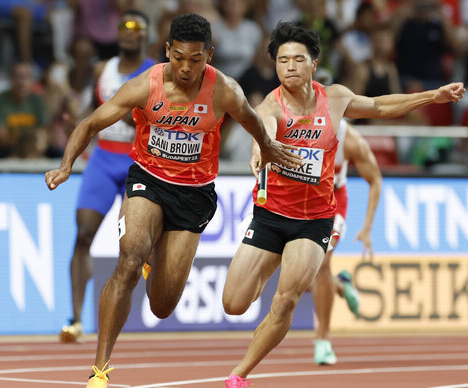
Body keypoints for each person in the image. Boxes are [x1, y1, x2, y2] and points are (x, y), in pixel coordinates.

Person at [44, 13, 301, 388]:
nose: (185, 68)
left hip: (194, 195)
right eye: (178, 57)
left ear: (209, 55)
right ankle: (100, 369)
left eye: (195, 60)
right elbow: (89, 124)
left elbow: (250, 119)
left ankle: (154, 258)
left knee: (162, 306)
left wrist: (268, 148)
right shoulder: (145, 86)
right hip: (147, 179)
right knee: (128, 260)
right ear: (167, 51)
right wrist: (66, 165)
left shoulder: (224, 90)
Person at [221, 21, 465, 387]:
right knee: (234, 303)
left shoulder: (334, 98)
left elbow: (382, 106)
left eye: (298, 59)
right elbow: (263, 132)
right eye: (282, 60)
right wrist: (262, 151)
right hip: (271, 216)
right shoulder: (271, 104)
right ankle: (270, 265)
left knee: (286, 301)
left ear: (314, 63)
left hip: (316, 219)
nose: (289, 67)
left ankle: (240, 375)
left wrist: (433, 96)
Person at [57, 10, 156, 344]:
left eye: (135, 27)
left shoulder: (157, 73)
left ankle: (139, 306)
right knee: (83, 232)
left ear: (146, 34)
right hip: (103, 156)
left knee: (134, 245)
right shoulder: (103, 69)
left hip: (137, 159)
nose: (128, 33)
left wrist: (134, 119)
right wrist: (78, 119)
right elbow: (91, 109)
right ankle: (74, 319)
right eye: (123, 27)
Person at [311, 118, 382, 366]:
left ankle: (323, 340)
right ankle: (340, 285)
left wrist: (367, 227)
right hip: (298, 200)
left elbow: (375, 180)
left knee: (320, 264)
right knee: (297, 272)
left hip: (332, 203)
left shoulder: (349, 140)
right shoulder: (291, 121)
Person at [0, 61, 50, 159]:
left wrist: (34, 145)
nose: (22, 82)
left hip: (33, 151)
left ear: (32, 81)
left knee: (59, 154)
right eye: (18, 77)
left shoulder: (37, 101)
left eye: (26, 77)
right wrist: (27, 142)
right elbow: (0, 138)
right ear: (10, 79)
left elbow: (43, 136)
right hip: (5, 152)